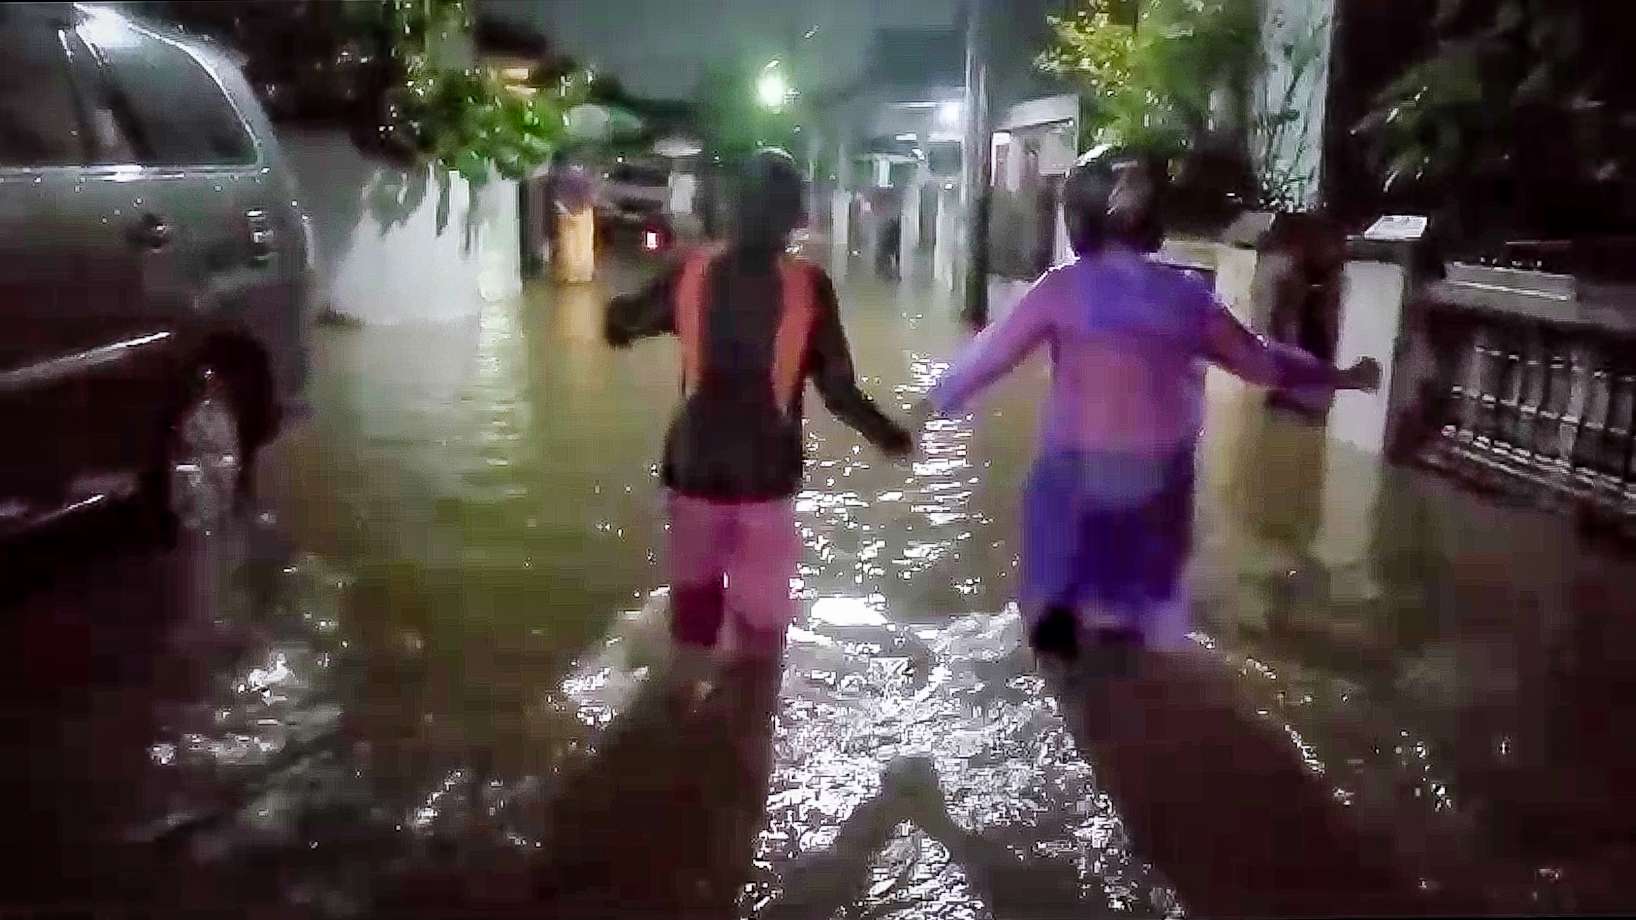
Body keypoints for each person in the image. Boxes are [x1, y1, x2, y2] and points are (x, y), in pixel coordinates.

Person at [921, 147, 1381, 658]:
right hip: (1161, 488)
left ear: (1077, 217)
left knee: (1053, 639)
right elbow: (1265, 365)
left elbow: (988, 358)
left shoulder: (1060, 289)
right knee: (1145, 637)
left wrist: (923, 409)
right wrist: (1342, 376)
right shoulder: (1187, 297)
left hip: (1074, 482)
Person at [605, 148, 913, 664]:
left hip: (694, 472)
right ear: (795, 217)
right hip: (766, 480)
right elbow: (838, 392)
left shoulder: (692, 273)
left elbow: (623, 327)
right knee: (760, 641)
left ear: (733, 207)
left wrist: (616, 315)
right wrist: (889, 436)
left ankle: (679, 725)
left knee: (693, 630)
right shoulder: (810, 287)